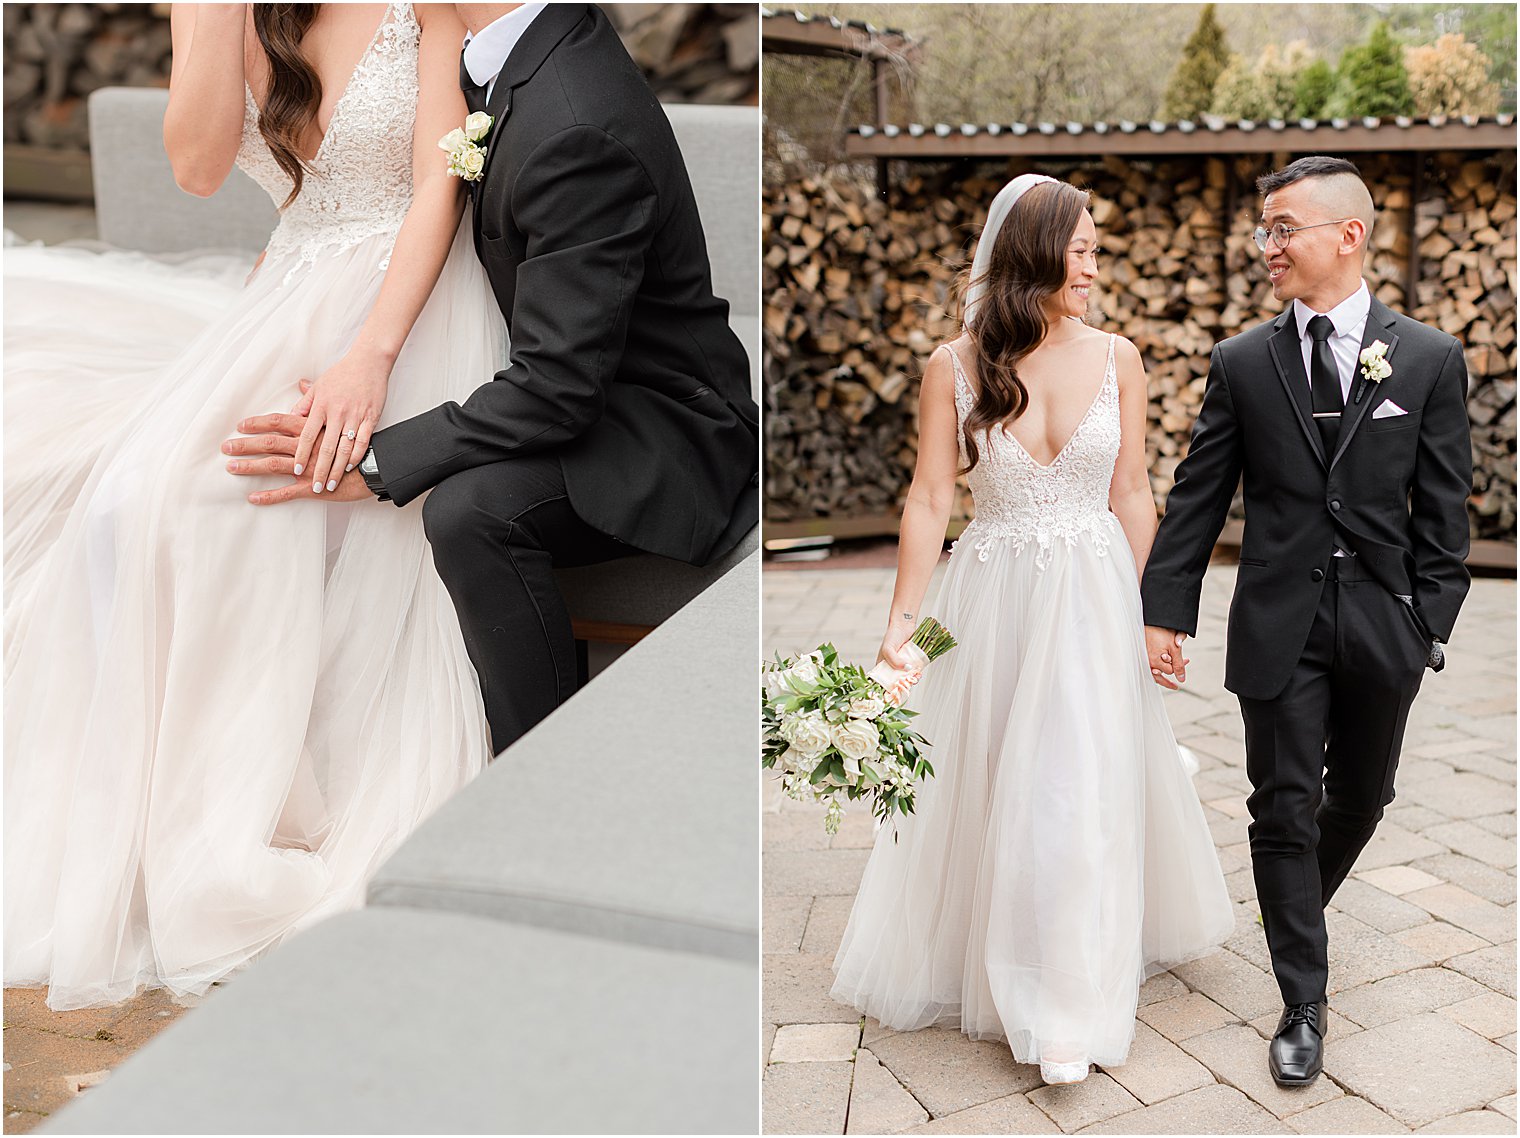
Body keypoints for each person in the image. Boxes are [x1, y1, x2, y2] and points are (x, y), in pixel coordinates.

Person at [5, 2, 505, 1010]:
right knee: (124, 498)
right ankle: (144, 825)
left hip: (410, 298)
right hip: (288, 286)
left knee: (225, 503)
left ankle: (247, 818)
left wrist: (368, 357)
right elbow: (195, 165)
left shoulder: (426, 9)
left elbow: (436, 189)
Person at [224, 2, 761, 752]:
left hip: (661, 430)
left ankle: (537, 772)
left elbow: (558, 388)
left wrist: (376, 462)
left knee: (469, 510)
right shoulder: (506, 49)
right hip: (563, 370)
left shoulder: (575, 122)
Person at [830, 173, 1233, 1087]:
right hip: (993, 596)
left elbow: (1132, 491)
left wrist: (1159, 611)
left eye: (1095, 247)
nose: (1095, 264)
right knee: (1000, 778)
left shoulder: (1121, 356)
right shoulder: (955, 366)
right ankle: (1018, 974)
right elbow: (932, 498)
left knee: (1075, 785)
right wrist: (902, 630)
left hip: (1094, 595)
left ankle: (1064, 1007)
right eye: (1083, 247)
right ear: (1035, 254)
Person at [1141, 156, 1472, 1087]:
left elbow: (1447, 515)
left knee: (1360, 801)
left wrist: (1427, 624)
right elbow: (1198, 495)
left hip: (1383, 623)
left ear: (1348, 235)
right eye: (1264, 229)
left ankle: (1295, 915)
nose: (1267, 246)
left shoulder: (1429, 359)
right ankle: (1302, 1001)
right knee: (1280, 810)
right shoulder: (1242, 362)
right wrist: (1167, 609)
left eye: (1283, 228)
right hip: (1277, 621)